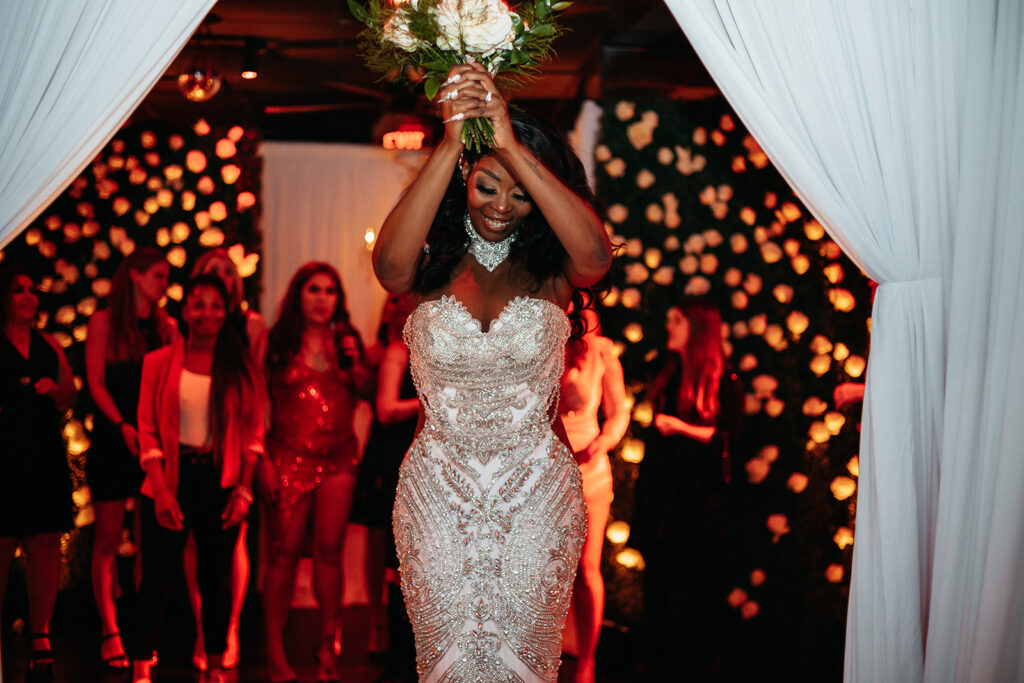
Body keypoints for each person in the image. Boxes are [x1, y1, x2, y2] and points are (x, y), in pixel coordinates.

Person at [372, 61, 612, 681]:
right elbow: (389, 271)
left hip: (536, 498)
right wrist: (455, 139)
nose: (502, 206)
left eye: (520, 192)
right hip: (436, 497)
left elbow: (595, 256)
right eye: (487, 186)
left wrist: (504, 142)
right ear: (463, 183)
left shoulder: (554, 268)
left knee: (523, 667)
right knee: (446, 664)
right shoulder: (428, 267)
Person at [127, 275, 263, 683]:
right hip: (168, 478)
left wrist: (244, 489)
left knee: (216, 580)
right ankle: (140, 669)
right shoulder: (158, 361)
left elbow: (254, 431)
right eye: (198, 304)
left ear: (226, 312)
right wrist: (162, 492)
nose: (207, 313)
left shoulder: (239, 363)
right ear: (184, 311)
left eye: (215, 305)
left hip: (220, 480)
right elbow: (147, 428)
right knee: (155, 579)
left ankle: (217, 666)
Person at [262, 262, 370, 683]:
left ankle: (330, 644)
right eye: (313, 290)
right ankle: (274, 649)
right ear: (298, 295)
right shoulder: (278, 342)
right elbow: (255, 401)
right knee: (283, 554)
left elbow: (364, 388)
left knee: (330, 551)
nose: (322, 299)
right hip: (287, 457)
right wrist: (262, 459)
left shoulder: (346, 340)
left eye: (330, 291)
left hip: (339, 458)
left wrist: (353, 365)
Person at [632, 299, 743, 681]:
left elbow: (729, 442)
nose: (669, 329)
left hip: (699, 507)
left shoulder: (722, 381)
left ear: (694, 330)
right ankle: (658, 662)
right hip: (664, 502)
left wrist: (681, 428)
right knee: (657, 588)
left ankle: (705, 666)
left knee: (703, 591)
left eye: (676, 323)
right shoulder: (669, 373)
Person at [84, 247, 176, 671]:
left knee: (147, 543)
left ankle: (141, 634)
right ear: (136, 277)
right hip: (113, 437)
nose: (164, 284)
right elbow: (96, 382)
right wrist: (122, 425)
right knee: (106, 539)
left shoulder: (166, 327)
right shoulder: (103, 321)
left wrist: (152, 434)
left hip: (152, 444)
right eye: (158, 275)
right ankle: (109, 631)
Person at [184, 248, 268, 671]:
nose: (221, 276)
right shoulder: (183, 330)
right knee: (193, 546)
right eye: (211, 271)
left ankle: (229, 627)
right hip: (190, 451)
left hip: (234, 449)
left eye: (227, 271)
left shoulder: (250, 326)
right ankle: (203, 629)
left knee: (233, 542)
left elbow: (254, 393)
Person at [0, 267, 76, 676]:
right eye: (18, 291)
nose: (28, 297)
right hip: (4, 458)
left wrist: (56, 390)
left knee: (46, 544)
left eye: (32, 290)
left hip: (44, 456)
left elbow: (69, 396)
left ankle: (40, 631)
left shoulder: (48, 345)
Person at [558, 305, 629, 683]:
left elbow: (620, 411)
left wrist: (600, 444)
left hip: (589, 469)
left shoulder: (602, 351)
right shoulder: (542, 345)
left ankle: (587, 661)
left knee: (587, 569)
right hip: (548, 469)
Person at [350, 293, 419, 660]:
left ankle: (397, 626)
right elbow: (385, 409)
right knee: (380, 539)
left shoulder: (422, 348)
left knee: (402, 544)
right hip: (389, 450)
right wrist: (429, 403)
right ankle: (380, 622)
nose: (399, 306)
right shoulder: (390, 351)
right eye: (393, 301)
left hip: (410, 448)